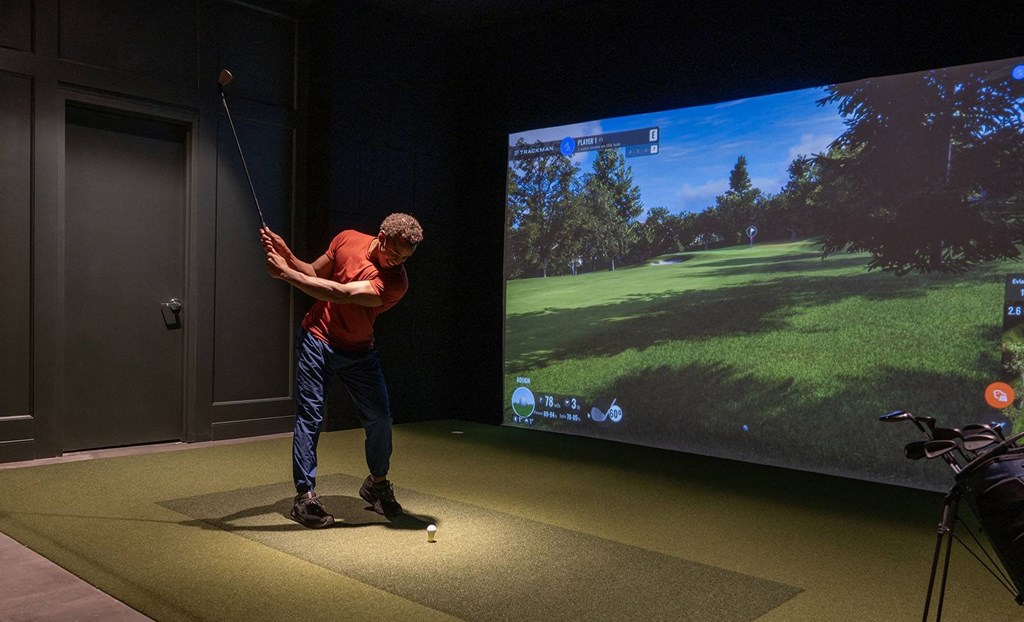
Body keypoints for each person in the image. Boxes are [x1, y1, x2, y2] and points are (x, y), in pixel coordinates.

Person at [260, 213, 423, 529]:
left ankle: (376, 484)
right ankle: (305, 497)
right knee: (310, 416)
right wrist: (287, 255)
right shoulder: (347, 238)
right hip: (316, 339)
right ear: (382, 236)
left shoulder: (396, 282)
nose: (397, 261)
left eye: (404, 258)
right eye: (394, 253)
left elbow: (340, 293)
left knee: (380, 418)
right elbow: (312, 272)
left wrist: (284, 274)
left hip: (359, 351)